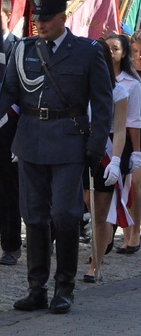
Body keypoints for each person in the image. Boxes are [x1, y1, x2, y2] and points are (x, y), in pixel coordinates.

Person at [0, 0, 113, 314]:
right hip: (30, 141)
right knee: (35, 216)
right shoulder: (24, 48)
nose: (39, 24)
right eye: (36, 19)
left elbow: (103, 99)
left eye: (46, 18)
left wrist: (98, 144)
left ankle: (64, 286)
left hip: (69, 141)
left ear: (62, 18)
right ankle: (36, 287)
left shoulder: (87, 51)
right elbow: (9, 90)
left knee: (66, 216)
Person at [81, 39, 126, 282]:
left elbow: (119, 130)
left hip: (104, 151)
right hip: (78, 148)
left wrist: (116, 160)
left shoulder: (118, 90)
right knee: (85, 203)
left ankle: (95, 264)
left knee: (100, 212)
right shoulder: (79, 86)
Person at [0, 0, 23, 266]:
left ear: (8, 16)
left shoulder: (19, 46)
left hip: (9, 125)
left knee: (8, 187)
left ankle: (10, 245)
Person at [104, 33, 141, 254]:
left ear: (122, 52)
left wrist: (136, 151)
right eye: (107, 48)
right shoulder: (97, 76)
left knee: (131, 186)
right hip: (101, 137)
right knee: (109, 190)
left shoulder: (132, 82)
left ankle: (133, 233)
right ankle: (109, 233)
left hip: (124, 138)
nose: (111, 53)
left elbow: (133, 120)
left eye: (115, 48)